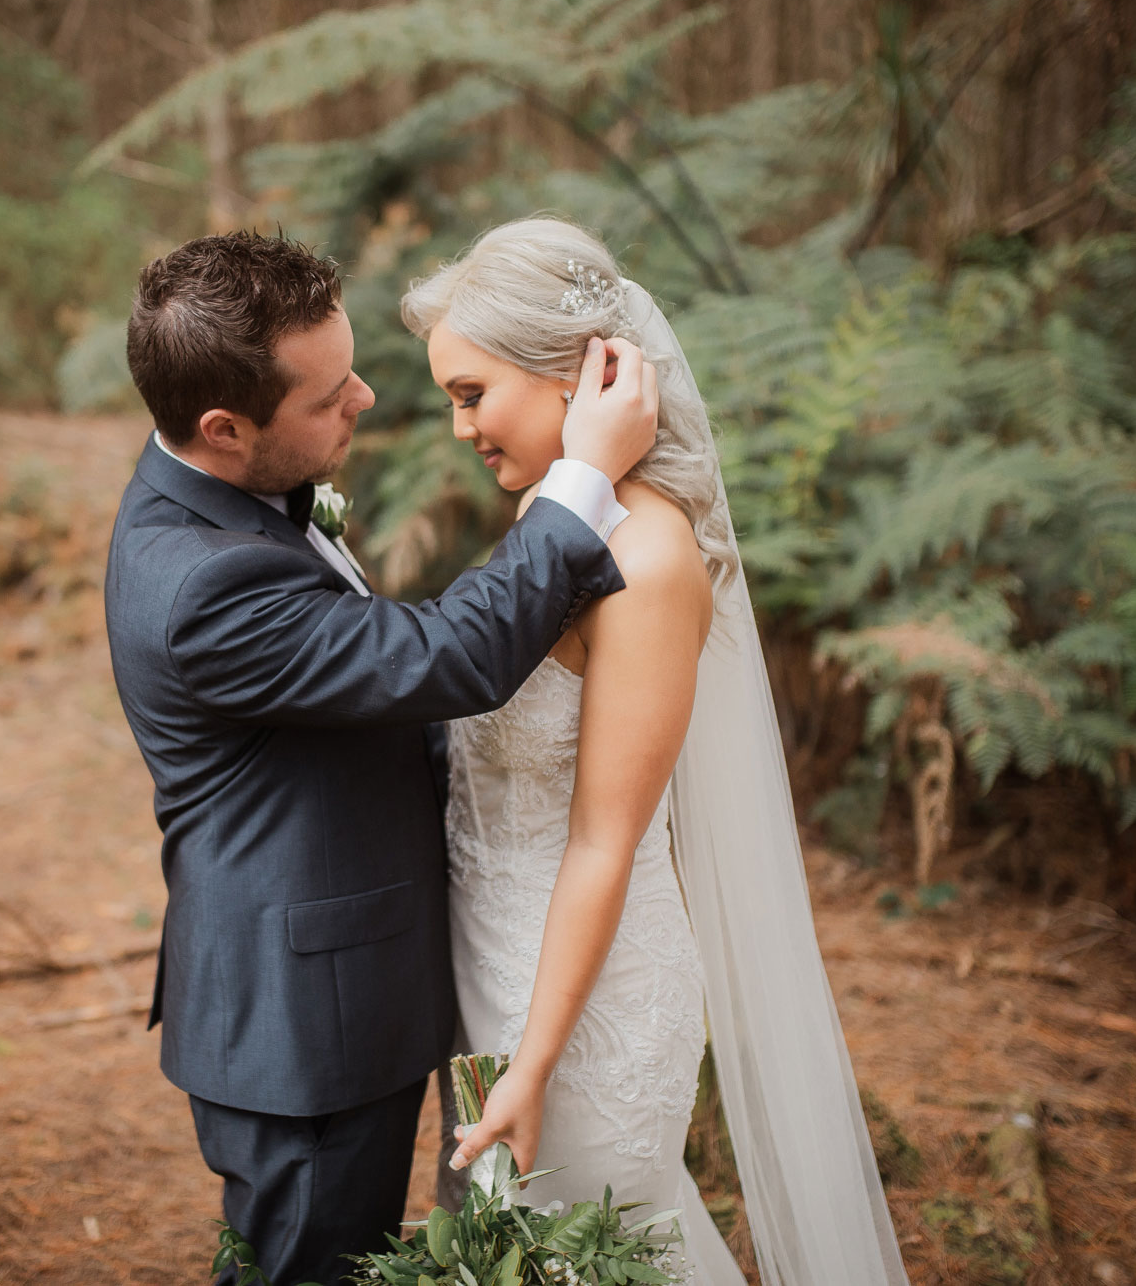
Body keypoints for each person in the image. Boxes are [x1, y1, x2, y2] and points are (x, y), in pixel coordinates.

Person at [102, 230, 662, 1286]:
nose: (361, 396)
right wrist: (583, 476)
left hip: (333, 982)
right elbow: (443, 657)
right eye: (324, 396)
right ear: (224, 428)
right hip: (301, 1028)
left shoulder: (225, 496)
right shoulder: (200, 589)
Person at [409, 218, 912, 1286]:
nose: (459, 428)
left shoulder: (644, 558)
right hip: (497, 976)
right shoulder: (556, 518)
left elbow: (603, 838)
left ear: (577, 377)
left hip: (583, 1019)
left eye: (469, 394)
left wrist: (532, 1062)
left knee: (587, 1247)